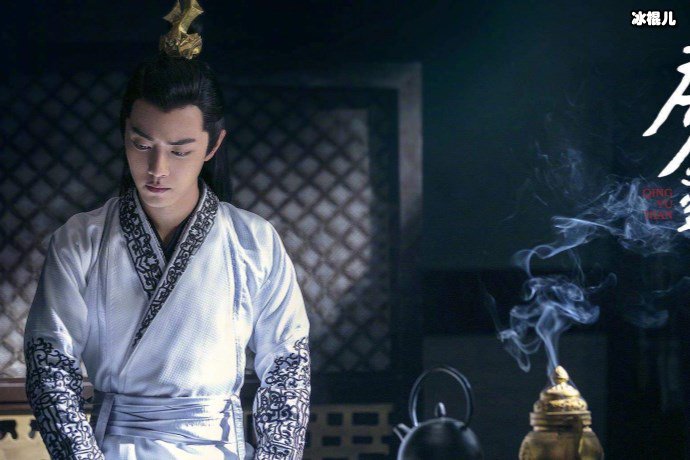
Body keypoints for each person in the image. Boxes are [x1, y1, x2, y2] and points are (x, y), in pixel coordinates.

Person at [23, 2, 310, 459]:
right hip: (113, 449)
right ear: (124, 135)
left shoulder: (253, 242)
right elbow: (50, 369)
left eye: (179, 151)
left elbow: (288, 367)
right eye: (142, 145)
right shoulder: (79, 241)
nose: (157, 169)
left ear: (213, 145)